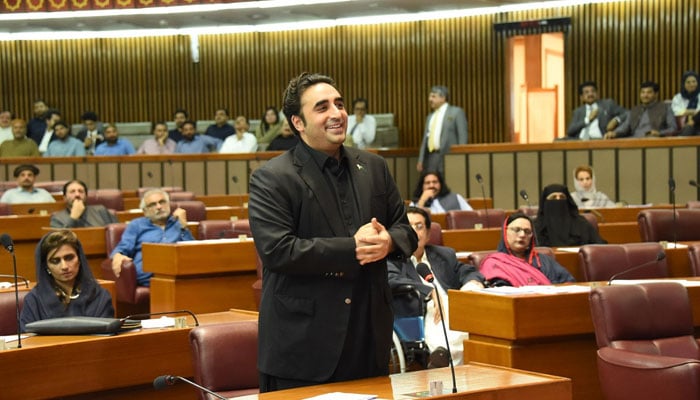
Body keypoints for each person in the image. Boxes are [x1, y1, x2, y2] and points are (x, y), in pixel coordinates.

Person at [248, 72, 417, 392]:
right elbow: (278, 251)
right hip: (304, 346)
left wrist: (387, 242)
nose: (337, 113)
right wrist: (353, 248)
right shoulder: (272, 178)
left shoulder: (374, 167)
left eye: (339, 104)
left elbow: (405, 229)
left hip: (369, 338)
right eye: (322, 107)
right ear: (298, 122)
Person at [388, 207, 483, 365]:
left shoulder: (444, 255)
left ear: (428, 233)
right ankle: (442, 357)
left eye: (419, 227)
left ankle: (448, 359)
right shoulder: (392, 259)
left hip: (454, 307)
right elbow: (391, 280)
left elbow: (468, 271)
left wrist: (472, 284)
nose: (414, 232)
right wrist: (429, 292)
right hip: (421, 312)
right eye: (409, 227)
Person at [19, 230, 115, 332]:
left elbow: (107, 339)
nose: (64, 266)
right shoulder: (34, 300)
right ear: (46, 266)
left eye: (69, 258)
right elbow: (28, 340)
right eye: (55, 261)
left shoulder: (100, 296)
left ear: (79, 259)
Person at [110, 189, 194, 286]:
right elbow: (122, 248)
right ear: (145, 211)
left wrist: (183, 227)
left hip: (177, 274)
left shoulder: (177, 223)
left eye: (162, 202)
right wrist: (118, 255)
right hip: (149, 276)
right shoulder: (136, 225)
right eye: (153, 204)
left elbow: (191, 251)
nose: (159, 207)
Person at [479, 212, 575, 287]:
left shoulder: (544, 261)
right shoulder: (494, 263)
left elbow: (569, 283)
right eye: (517, 230)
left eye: (527, 231)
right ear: (505, 232)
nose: (522, 235)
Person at [534, 184, 606, 247]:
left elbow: (600, 247)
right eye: (553, 197)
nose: (558, 201)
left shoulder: (581, 223)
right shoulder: (536, 227)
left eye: (562, 197)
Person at [417, 85, 468, 174]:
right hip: (431, 159)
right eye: (430, 96)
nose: (430, 99)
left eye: (433, 96)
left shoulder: (456, 112)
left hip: (449, 157)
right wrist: (420, 159)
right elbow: (425, 140)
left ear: (442, 98)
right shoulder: (430, 117)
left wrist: (461, 158)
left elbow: (462, 137)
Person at [606, 81, 677, 138]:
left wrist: (659, 133)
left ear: (656, 94)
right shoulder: (635, 110)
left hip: (654, 140)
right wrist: (614, 133)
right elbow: (625, 127)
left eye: (649, 92)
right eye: (643, 92)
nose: (645, 95)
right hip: (634, 140)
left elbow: (673, 128)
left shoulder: (665, 108)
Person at [50, 180, 118, 228]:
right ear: (64, 197)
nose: (77, 194)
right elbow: (60, 242)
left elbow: (117, 234)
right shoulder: (57, 218)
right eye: (72, 192)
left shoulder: (100, 211)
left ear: (86, 196)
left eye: (81, 191)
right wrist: (73, 217)